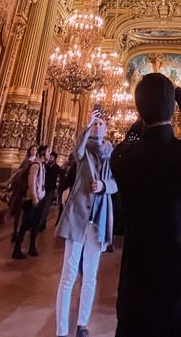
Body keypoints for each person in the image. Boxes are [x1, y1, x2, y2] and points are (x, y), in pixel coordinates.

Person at [111, 73, 181, 337]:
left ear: (139, 110)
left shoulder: (122, 158)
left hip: (138, 293)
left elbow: (131, 138)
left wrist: (145, 112)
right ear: (173, 109)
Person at [55, 110, 116, 337]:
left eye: (101, 124)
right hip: (78, 217)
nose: (97, 127)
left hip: (98, 219)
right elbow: (77, 149)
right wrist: (86, 124)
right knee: (69, 274)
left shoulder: (111, 153)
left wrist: (105, 186)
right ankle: (61, 330)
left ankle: (82, 324)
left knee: (91, 273)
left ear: (107, 129)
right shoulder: (83, 152)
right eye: (95, 124)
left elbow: (116, 183)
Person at [12, 143, 45, 259]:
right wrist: (34, 196)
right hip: (31, 198)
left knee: (34, 224)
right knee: (26, 224)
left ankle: (31, 247)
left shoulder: (41, 164)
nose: (49, 154)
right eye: (48, 152)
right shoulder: (35, 165)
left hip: (37, 197)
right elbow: (32, 181)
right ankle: (17, 249)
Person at [7, 144, 38, 244]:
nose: (34, 151)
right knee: (19, 213)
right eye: (32, 150)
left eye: (35, 150)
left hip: (28, 191)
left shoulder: (36, 162)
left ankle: (19, 232)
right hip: (22, 191)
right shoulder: (27, 162)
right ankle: (16, 233)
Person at [38, 150, 60, 232]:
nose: (50, 159)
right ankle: (41, 222)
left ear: (54, 158)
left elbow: (57, 179)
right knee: (41, 206)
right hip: (43, 188)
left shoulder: (57, 167)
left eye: (52, 157)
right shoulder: (45, 166)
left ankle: (41, 224)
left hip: (51, 189)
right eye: (50, 157)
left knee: (46, 207)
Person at [56, 152, 76, 223]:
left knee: (64, 205)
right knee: (62, 204)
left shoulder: (73, 166)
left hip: (68, 187)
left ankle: (61, 220)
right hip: (65, 187)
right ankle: (60, 220)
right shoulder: (66, 166)